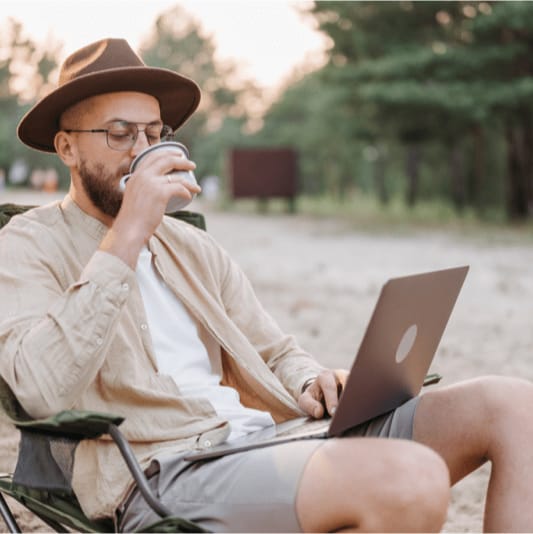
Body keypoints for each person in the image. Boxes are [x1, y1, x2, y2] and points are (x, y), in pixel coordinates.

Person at [1, 38, 532, 533]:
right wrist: (128, 233)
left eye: (154, 134)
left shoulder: (192, 248)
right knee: (409, 476)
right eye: (120, 135)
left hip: (271, 440)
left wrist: (308, 382)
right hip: (168, 472)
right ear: (67, 148)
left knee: (511, 406)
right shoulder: (27, 245)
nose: (142, 150)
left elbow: (276, 351)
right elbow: (38, 388)